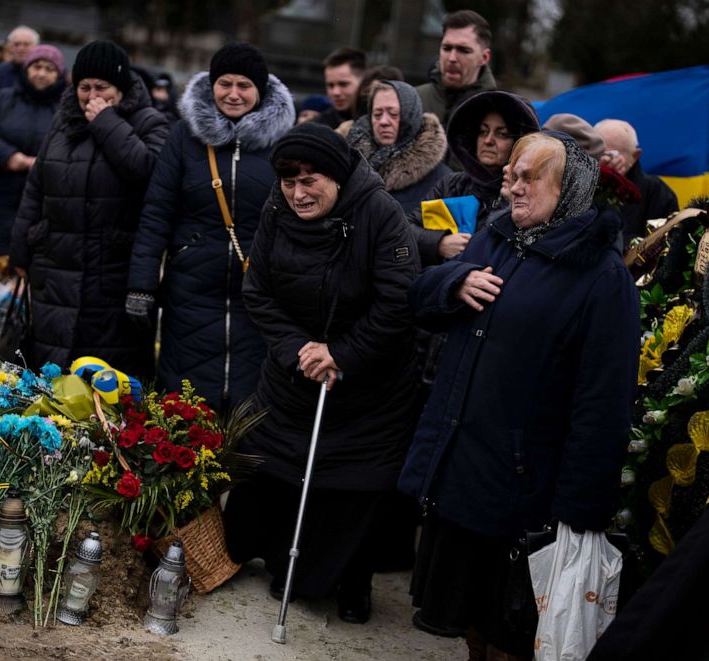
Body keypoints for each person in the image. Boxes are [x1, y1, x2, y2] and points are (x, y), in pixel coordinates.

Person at [399, 132, 639, 660]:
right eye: (513, 174)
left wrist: (580, 510)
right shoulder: (496, 237)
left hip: (524, 491)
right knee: (469, 622)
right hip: (461, 472)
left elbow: (603, 404)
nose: (514, 189)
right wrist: (454, 282)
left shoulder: (601, 279)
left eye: (530, 177)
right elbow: (420, 301)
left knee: (514, 630)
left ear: (570, 188)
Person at [225, 122, 421, 624]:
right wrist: (300, 350)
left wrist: (342, 352)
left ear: (336, 176)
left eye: (311, 180)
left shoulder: (381, 214)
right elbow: (258, 292)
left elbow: (399, 301)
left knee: (352, 487)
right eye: (290, 181)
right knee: (280, 468)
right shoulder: (275, 208)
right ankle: (284, 562)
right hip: (296, 369)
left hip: (368, 379)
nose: (298, 192)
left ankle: (353, 580)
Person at [126, 42, 295, 410]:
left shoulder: (284, 143)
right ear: (212, 85)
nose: (233, 94)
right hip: (191, 285)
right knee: (185, 394)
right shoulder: (184, 138)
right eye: (225, 84)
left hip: (261, 289)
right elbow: (157, 212)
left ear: (261, 90)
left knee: (253, 394)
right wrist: (142, 283)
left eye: (244, 86)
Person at [8, 41, 169, 373]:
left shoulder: (150, 122)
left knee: (102, 376)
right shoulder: (64, 121)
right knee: (53, 366)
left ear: (121, 88)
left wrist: (107, 123)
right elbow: (36, 187)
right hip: (55, 267)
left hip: (111, 273)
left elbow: (149, 175)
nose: (92, 94)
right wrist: (20, 251)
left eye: (102, 87)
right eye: (85, 87)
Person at [0, 45, 66, 257]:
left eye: (49, 69)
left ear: (59, 75)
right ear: (26, 69)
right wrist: (10, 157)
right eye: (36, 66)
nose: (41, 73)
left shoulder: (65, 111)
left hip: (42, 204)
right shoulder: (3, 99)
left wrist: (41, 164)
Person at [427, 90, 540, 263]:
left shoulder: (530, 194)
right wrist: (438, 242)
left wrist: (510, 204)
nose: (488, 140)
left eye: (501, 134)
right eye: (483, 131)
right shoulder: (451, 185)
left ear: (520, 144)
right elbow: (410, 229)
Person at [347, 80, 450, 226]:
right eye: (377, 114)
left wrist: (437, 242)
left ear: (411, 116)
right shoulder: (351, 164)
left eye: (393, 114)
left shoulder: (442, 181)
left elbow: (440, 235)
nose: (383, 121)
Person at [595, 118, 679, 245]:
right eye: (597, 153)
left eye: (610, 155)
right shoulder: (577, 184)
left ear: (635, 156)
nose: (604, 160)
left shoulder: (656, 193)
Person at [415, 10, 497, 132]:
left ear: (484, 58)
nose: (452, 58)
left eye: (463, 50)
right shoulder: (415, 101)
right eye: (447, 48)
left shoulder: (498, 109)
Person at [313, 47, 365, 129]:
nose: (335, 92)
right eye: (330, 85)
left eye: (343, 84)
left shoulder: (379, 124)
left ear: (363, 82)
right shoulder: (317, 127)